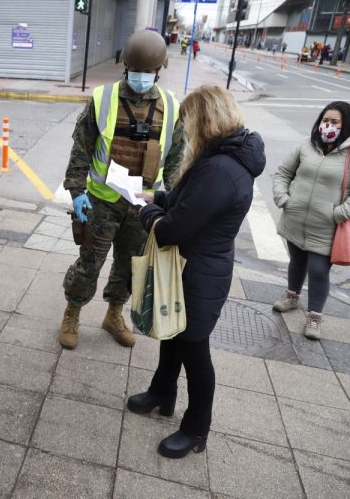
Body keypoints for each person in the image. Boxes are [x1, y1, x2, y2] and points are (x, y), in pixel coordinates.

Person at [128, 85, 265, 458]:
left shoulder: (221, 168)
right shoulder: (220, 156)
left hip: (200, 273)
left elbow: (174, 229)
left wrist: (146, 212)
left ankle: (196, 429)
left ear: (205, 120)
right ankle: (162, 392)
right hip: (192, 265)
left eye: (187, 121)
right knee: (173, 335)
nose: (184, 129)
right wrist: (157, 198)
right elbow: (188, 203)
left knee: (195, 352)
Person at [59, 29, 184, 350]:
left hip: (143, 205)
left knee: (130, 265)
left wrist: (168, 199)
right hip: (102, 201)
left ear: (158, 70)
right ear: (126, 66)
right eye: (136, 70)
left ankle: (114, 314)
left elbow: (175, 158)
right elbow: (82, 149)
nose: (141, 76)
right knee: (90, 261)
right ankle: (72, 312)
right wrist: (77, 191)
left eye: (148, 71)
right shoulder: (103, 98)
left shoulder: (172, 106)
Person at [272, 102, 350, 339]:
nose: (328, 125)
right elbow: (283, 172)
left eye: (334, 122)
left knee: (318, 270)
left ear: (346, 124)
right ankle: (292, 297)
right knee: (296, 261)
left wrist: (338, 213)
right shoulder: (308, 144)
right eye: (325, 120)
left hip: (328, 225)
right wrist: (283, 198)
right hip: (296, 217)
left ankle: (315, 317)